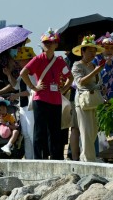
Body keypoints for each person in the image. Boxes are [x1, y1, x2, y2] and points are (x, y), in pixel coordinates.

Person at [19, 29, 72, 161]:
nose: (48, 44)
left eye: (51, 42)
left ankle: (56, 158)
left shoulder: (60, 61)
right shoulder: (38, 59)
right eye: (46, 42)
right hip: (40, 99)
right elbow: (23, 73)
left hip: (56, 100)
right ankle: (38, 158)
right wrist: (33, 87)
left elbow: (70, 78)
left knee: (55, 131)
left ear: (56, 45)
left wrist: (64, 89)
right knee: (39, 131)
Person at [71, 35, 107, 163]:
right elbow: (80, 82)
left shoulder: (94, 65)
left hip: (95, 100)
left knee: (93, 132)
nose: (93, 54)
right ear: (83, 51)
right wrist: (96, 72)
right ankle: (88, 159)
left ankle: (86, 157)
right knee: (85, 131)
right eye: (90, 51)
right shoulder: (77, 65)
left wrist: (102, 88)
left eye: (94, 51)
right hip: (83, 101)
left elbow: (96, 83)